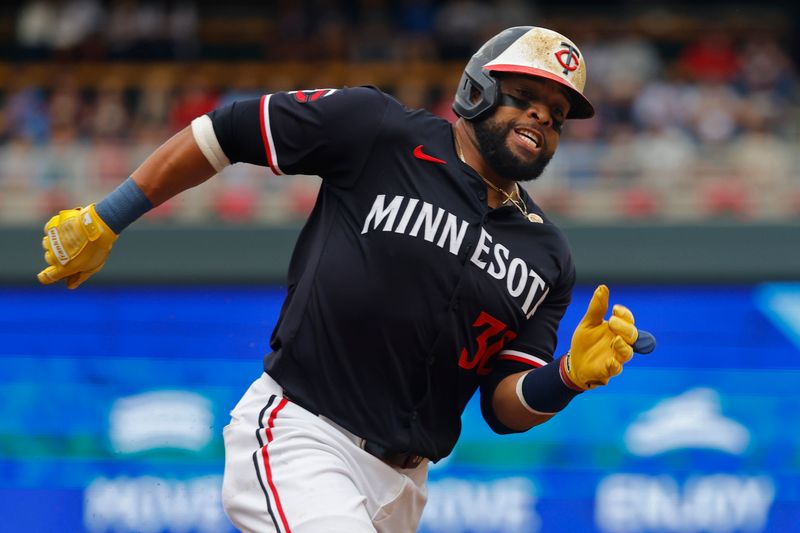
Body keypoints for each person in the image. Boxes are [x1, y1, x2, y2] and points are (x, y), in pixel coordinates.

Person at [38, 26, 654, 533]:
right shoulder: (378, 130)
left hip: (406, 487)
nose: (541, 117)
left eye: (556, 114)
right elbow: (223, 132)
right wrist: (108, 217)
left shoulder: (548, 253)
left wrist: (565, 378)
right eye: (526, 96)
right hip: (304, 435)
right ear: (476, 90)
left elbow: (502, 406)